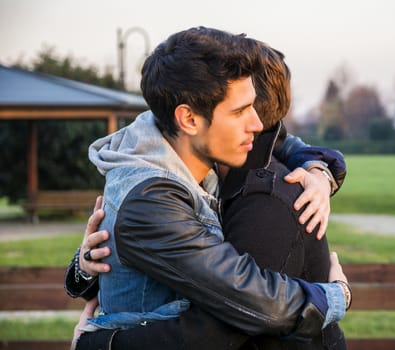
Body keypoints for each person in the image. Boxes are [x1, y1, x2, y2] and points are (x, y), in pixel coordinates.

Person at [65, 27, 351, 349]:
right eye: (240, 111)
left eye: (254, 108)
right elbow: (256, 301)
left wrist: (320, 169)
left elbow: (277, 138)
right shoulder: (151, 202)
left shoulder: (170, 136)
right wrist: (336, 295)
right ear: (188, 119)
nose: (257, 124)